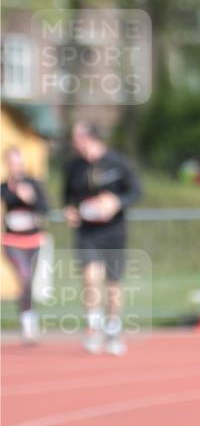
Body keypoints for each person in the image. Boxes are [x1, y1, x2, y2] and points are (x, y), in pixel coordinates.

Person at [63, 121, 142, 355]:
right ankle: (92, 328)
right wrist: (70, 211)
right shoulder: (73, 166)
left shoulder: (117, 162)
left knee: (113, 284)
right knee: (90, 277)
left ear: (88, 137)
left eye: (76, 137)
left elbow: (136, 191)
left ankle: (113, 330)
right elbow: (67, 198)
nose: (73, 141)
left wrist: (116, 202)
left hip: (114, 231)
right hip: (87, 232)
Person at [1, 146, 49, 343]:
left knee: (28, 283)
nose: (15, 167)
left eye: (18, 162)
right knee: (24, 275)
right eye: (11, 163)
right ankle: (27, 322)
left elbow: (45, 209)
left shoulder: (33, 184)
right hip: (12, 241)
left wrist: (30, 198)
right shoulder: (3, 187)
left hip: (32, 240)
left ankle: (29, 318)